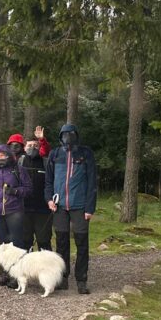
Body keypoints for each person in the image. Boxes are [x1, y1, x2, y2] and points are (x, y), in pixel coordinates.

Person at [44, 124, 97, 294]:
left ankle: (81, 280)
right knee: (61, 243)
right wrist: (49, 199)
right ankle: (63, 278)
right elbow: (48, 181)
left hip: (80, 206)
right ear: (60, 136)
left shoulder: (85, 153)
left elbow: (92, 182)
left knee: (82, 243)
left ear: (76, 135)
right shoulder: (55, 154)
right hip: (59, 206)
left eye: (71, 134)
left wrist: (90, 207)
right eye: (65, 134)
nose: (68, 137)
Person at [0, 144, 32, 285]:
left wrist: (15, 191)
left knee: (16, 243)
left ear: (9, 156)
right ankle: (4, 273)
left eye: (3, 155)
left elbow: (28, 189)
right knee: (3, 244)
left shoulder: (18, 170)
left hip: (14, 211)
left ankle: (19, 276)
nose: (0, 158)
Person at [20, 133, 52, 252]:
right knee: (25, 240)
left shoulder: (46, 163)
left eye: (35, 145)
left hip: (43, 209)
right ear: (24, 147)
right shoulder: (20, 162)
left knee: (44, 240)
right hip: (24, 209)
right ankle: (27, 268)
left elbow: (51, 183)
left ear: (39, 147)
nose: (32, 148)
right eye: (29, 145)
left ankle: (46, 268)